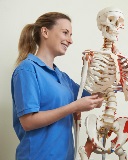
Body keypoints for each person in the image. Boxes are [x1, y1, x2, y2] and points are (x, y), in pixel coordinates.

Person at [11, 12, 104, 160]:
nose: (70, 40)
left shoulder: (62, 77)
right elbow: (28, 122)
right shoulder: (27, 70)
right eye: (65, 33)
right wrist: (74, 107)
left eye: (71, 35)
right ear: (45, 32)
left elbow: (96, 99)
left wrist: (99, 72)